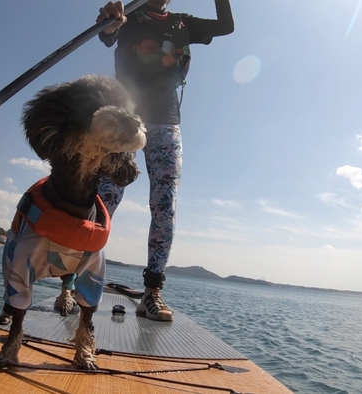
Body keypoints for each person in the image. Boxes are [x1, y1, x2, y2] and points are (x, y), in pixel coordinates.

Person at [96, 0, 234, 321]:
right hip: (125, 116)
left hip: (166, 123)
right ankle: (80, 277)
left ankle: (152, 293)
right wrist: (112, 19)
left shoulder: (183, 23)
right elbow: (106, 33)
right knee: (106, 196)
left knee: (165, 203)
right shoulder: (127, 15)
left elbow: (226, 26)